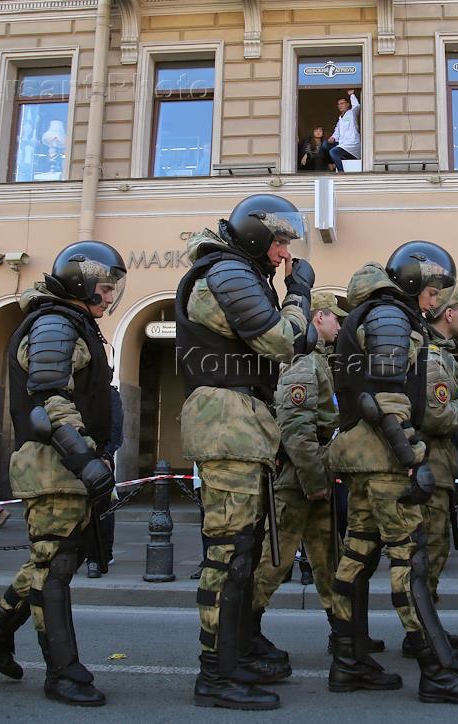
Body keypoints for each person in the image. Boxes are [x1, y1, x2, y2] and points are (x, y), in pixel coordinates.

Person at [327, 240, 458, 704]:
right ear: (413, 282)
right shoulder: (390, 315)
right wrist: (412, 459)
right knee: (410, 559)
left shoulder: (377, 314)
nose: (436, 298)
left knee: (357, 555)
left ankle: (348, 661)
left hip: (366, 457)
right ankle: (437, 671)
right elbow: (384, 399)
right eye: (433, 288)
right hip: (386, 459)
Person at [0, 240, 126, 706]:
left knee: (52, 560)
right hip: (53, 466)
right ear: (80, 282)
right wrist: (86, 459)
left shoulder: (72, 321)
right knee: (54, 569)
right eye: (104, 287)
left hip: (64, 467)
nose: (109, 296)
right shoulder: (55, 323)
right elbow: (51, 401)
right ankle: (62, 672)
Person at [175, 194, 313, 710]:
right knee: (228, 556)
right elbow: (282, 341)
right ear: (256, 237)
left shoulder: (238, 271)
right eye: (279, 242)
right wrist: (298, 294)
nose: (284, 254)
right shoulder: (229, 271)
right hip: (227, 423)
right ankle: (215, 674)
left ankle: (234, 658)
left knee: (242, 553)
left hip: (240, 423)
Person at [249, 291, 352, 665]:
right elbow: (296, 430)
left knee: (329, 559)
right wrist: (315, 483)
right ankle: (245, 629)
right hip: (300, 480)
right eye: (335, 317)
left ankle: (344, 634)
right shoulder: (303, 361)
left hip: (313, 474)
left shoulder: (316, 359)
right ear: (318, 317)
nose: (339, 325)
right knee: (274, 560)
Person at [403, 285, 458, 658]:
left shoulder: (439, 354)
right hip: (429, 468)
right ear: (448, 313)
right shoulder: (433, 357)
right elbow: (438, 416)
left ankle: (427, 626)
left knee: (434, 549)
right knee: (429, 551)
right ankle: (421, 633)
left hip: (435, 468)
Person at [86, 387, 122, 579]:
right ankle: (88, 552)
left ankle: (103, 553)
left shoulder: (109, 393)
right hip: (81, 455)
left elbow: (116, 426)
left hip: (101, 456)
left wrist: (107, 454)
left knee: (102, 507)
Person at [322, 90, 361, 172]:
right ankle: (331, 163)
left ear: (348, 104)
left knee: (333, 152)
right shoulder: (340, 119)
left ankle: (341, 173)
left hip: (352, 144)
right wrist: (333, 137)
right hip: (342, 143)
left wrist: (352, 95)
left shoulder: (352, 113)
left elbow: (357, 106)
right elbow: (337, 131)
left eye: (342, 103)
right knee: (325, 144)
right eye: (338, 104)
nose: (340, 106)